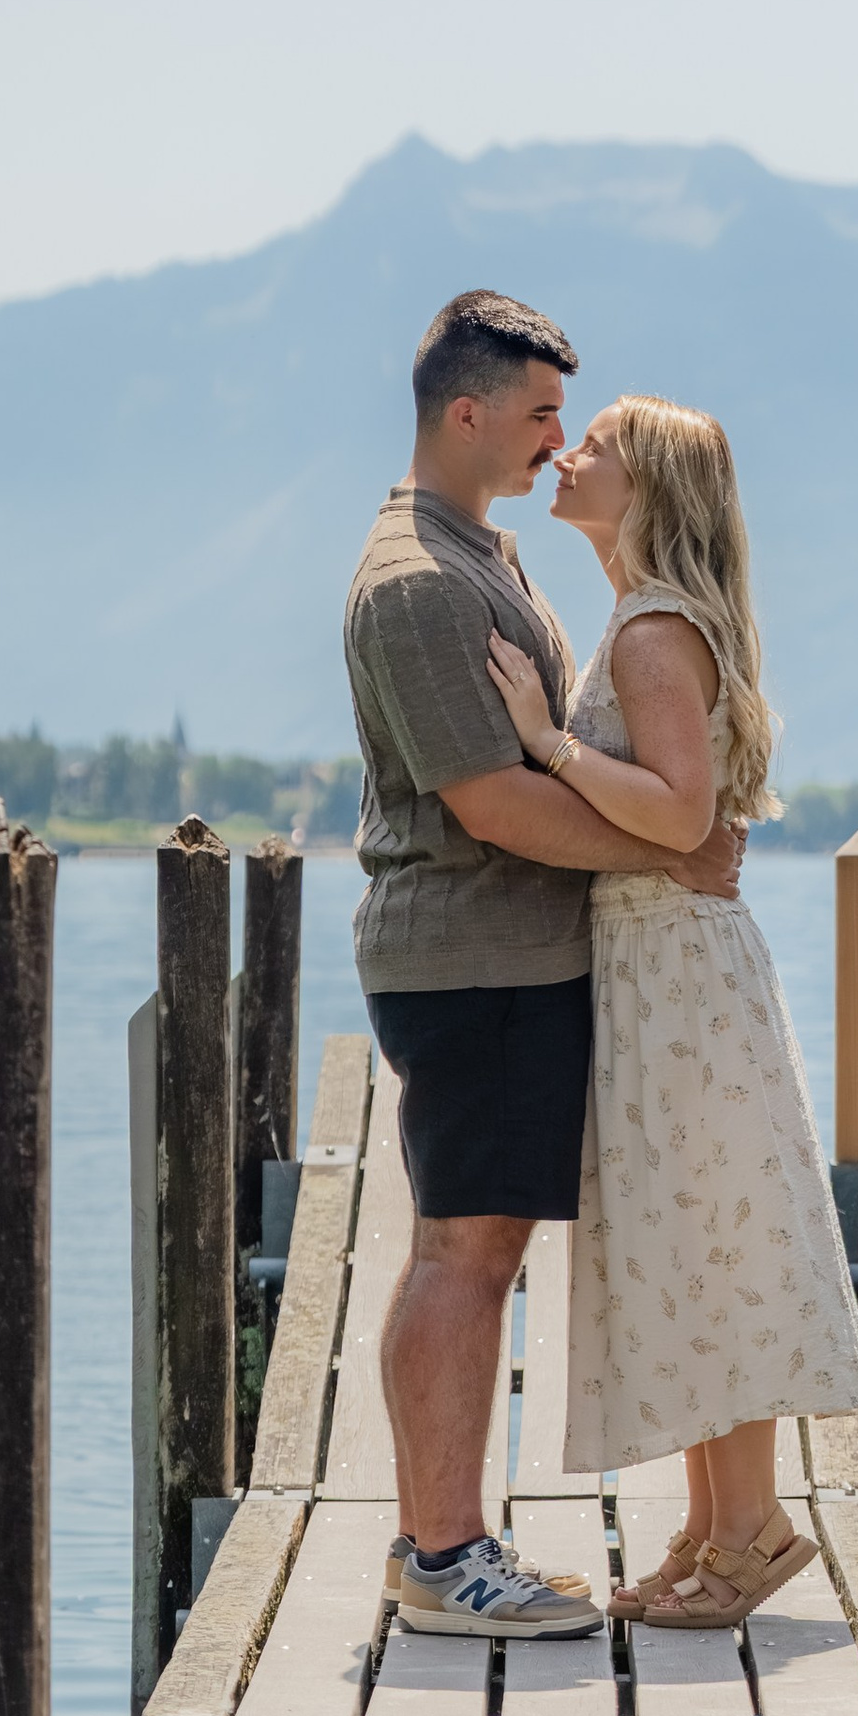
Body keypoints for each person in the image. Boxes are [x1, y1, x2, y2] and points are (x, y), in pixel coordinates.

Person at [345, 292, 748, 1639]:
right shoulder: (418, 581)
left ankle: (446, 1545)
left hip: (510, 955)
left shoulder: (485, 556)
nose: (554, 438)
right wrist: (667, 857)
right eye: (537, 415)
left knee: (479, 1247)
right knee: (465, 1253)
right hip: (469, 959)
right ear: (467, 414)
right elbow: (491, 803)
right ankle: (446, 1555)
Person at [485, 393, 858, 1628]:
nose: (566, 453)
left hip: (678, 979)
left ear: (645, 483)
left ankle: (751, 1530)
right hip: (663, 965)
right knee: (690, 1237)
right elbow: (688, 826)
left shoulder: (653, 631)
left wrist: (545, 742)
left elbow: (679, 816)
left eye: (592, 443)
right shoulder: (645, 618)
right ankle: (712, 1528)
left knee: (712, 1239)